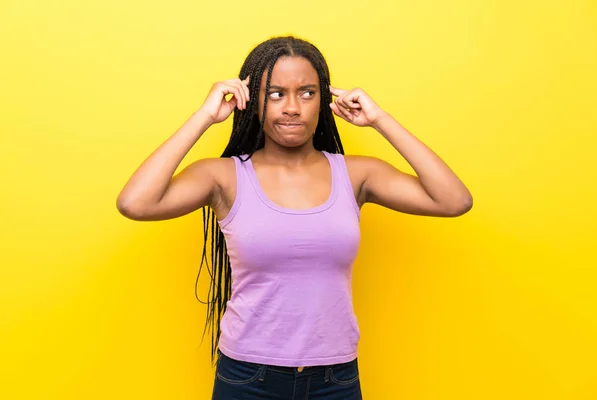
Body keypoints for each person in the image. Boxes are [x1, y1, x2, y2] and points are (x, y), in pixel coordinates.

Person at [116, 35, 472, 399]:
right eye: (275, 93)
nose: (291, 107)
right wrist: (205, 116)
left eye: (306, 93)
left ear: (323, 100)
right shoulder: (223, 177)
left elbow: (454, 200)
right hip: (247, 379)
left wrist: (380, 120)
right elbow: (135, 203)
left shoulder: (357, 175)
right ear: (251, 101)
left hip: (335, 380)